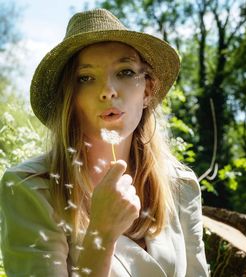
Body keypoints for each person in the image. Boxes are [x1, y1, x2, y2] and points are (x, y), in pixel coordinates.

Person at [0, 8, 209, 277]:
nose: (108, 90)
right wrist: (101, 233)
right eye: (86, 78)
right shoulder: (29, 188)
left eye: (124, 72)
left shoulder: (181, 185)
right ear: (70, 99)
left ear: (147, 90)